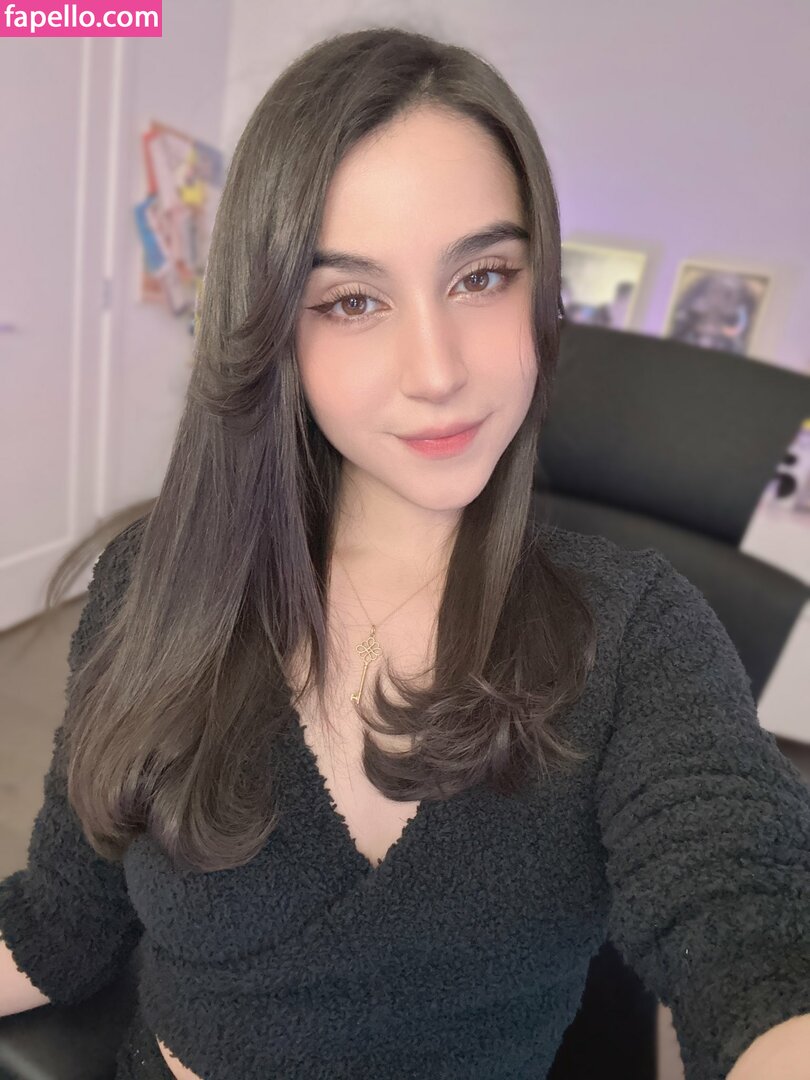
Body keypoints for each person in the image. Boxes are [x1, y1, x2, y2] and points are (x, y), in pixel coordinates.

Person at [1, 26, 809, 1080]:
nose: (436, 371)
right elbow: (60, 925)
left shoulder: (634, 636)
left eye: (481, 276)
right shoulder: (152, 588)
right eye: (353, 301)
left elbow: (751, 927)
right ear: (272, 330)